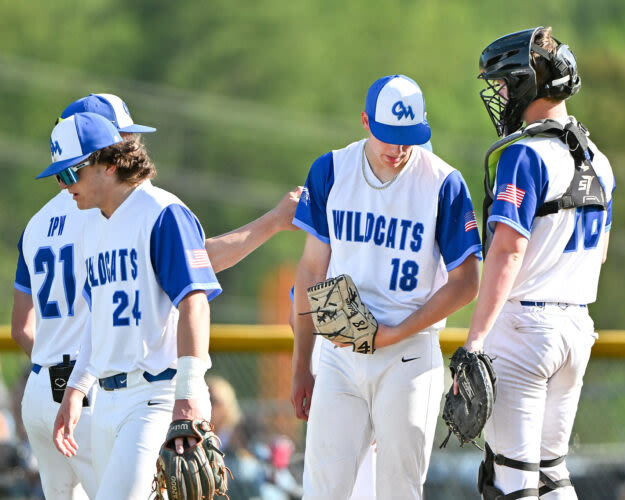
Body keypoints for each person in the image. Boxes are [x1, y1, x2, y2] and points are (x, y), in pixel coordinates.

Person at [12, 93, 300, 499]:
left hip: (154, 394)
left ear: (111, 161)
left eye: (71, 172)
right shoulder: (93, 224)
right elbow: (99, 320)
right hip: (104, 399)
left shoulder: (161, 212)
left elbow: (194, 299)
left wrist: (187, 395)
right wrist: (75, 388)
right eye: (61, 176)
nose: (65, 185)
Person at [290, 74, 482, 499]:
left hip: (408, 354)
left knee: (399, 491)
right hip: (339, 351)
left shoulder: (442, 182)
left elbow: (467, 281)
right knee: (322, 491)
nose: (397, 149)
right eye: (388, 137)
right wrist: (302, 363)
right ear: (364, 121)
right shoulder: (332, 170)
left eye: (408, 138)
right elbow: (309, 272)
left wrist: (394, 333)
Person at [464, 27, 615, 499]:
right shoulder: (599, 160)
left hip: (526, 328)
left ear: (528, 84)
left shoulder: (524, 155)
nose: (502, 95)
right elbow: (601, 254)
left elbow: (508, 251)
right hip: (575, 329)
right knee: (553, 474)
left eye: (506, 84)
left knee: (510, 481)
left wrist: (475, 340)